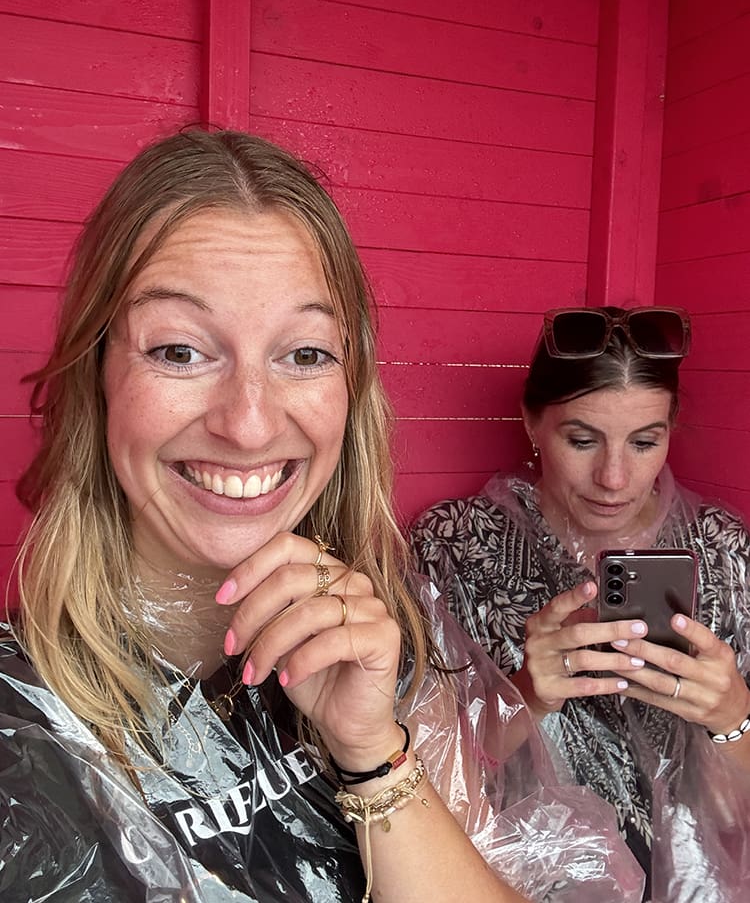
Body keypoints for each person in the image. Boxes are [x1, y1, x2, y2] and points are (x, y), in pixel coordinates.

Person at [0, 134, 643, 903]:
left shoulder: (383, 641)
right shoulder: (20, 730)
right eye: (179, 351)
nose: (248, 424)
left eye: (304, 354)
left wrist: (372, 754)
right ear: (97, 374)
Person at [410, 305, 750, 902]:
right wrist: (526, 695)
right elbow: (424, 781)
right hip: (521, 886)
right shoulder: (456, 545)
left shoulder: (723, 551)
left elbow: (733, 811)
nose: (614, 478)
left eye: (645, 442)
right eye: (582, 440)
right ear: (531, 422)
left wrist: (732, 716)